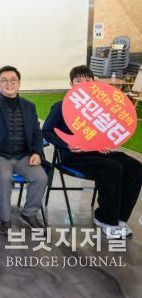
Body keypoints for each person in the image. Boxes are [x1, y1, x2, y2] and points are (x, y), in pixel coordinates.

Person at [42, 65, 142, 239]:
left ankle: (120, 217)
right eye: (78, 81)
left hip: (97, 153)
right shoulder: (61, 106)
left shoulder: (101, 107)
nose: (83, 84)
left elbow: (108, 129)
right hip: (73, 156)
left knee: (135, 166)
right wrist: (67, 145)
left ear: (94, 84)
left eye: (87, 81)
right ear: (71, 84)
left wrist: (106, 143)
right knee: (112, 168)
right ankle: (104, 218)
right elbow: (47, 131)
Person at [0, 66, 48, 234]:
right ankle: (5, 219)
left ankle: (29, 213)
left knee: (41, 177)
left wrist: (37, 152)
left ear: (19, 83)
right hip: (0, 156)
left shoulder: (29, 106)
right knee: (4, 177)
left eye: (13, 80)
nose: (9, 84)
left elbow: (36, 132)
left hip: (23, 156)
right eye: (4, 80)